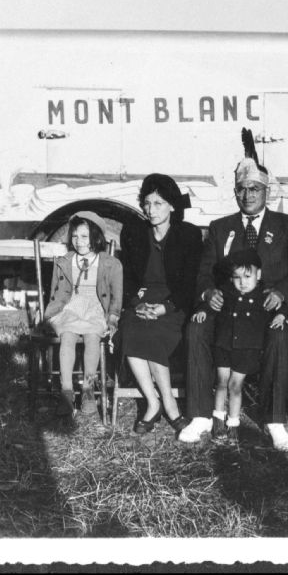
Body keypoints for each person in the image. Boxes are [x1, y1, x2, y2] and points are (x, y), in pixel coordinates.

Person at [179, 131, 288, 450]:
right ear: (235, 192)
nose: (248, 194)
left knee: (279, 335)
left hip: (266, 309)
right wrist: (207, 294)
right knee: (196, 328)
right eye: (242, 189)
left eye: (254, 189)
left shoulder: (286, 226)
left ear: (267, 191)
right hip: (226, 310)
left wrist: (281, 294)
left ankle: (274, 420)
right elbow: (204, 273)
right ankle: (201, 415)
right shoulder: (220, 228)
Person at [118, 173, 202, 435]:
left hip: (174, 302)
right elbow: (128, 277)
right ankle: (153, 402)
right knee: (131, 329)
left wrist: (166, 307)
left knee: (154, 332)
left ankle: (169, 402)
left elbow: (190, 283)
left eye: (158, 203)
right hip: (142, 299)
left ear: (172, 206)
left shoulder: (188, 235)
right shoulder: (134, 233)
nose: (150, 210)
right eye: (147, 203)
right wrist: (136, 304)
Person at [192, 249, 288, 444]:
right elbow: (211, 305)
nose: (242, 282)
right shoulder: (226, 291)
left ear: (258, 275)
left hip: (246, 348)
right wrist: (203, 310)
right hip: (224, 344)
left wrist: (281, 315)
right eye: (237, 277)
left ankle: (233, 423)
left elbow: (283, 306)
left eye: (247, 276)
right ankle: (218, 419)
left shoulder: (264, 295)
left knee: (235, 386)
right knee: (221, 382)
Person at [43, 211, 123, 417]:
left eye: (85, 236)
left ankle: (88, 389)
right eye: (75, 236)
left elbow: (116, 298)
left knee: (92, 337)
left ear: (96, 237)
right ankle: (67, 391)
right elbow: (55, 293)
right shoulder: (65, 261)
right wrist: (51, 313)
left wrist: (113, 318)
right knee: (67, 337)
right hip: (70, 307)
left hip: (96, 308)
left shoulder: (111, 263)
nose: (79, 241)